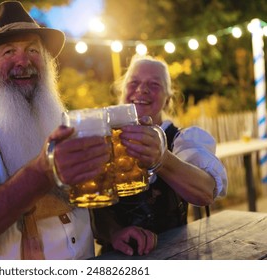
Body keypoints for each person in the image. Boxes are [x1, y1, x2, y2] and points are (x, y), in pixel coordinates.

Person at [0, 1, 115, 260]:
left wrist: (113, 230)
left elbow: (81, 202)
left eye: (33, 50)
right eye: (9, 52)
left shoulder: (61, 120)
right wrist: (43, 170)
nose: (23, 61)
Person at [91, 55, 228, 256]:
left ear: (168, 99)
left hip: (175, 255)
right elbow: (94, 209)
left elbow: (205, 193)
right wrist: (114, 232)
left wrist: (162, 159)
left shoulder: (181, 139)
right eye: (134, 82)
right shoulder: (103, 140)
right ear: (123, 92)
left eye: (154, 84)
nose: (142, 89)